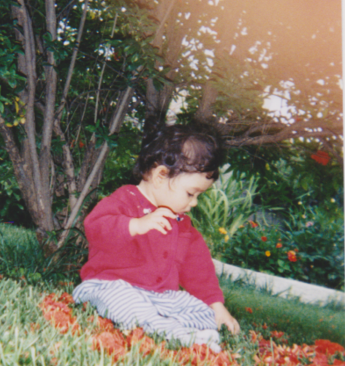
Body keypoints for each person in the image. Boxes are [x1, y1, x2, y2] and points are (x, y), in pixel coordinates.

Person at [73, 121, 240, 352]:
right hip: (107, 287)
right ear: (161, 175)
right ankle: (169, 331)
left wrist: (216, 305)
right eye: (191, 193)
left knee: (200, 310)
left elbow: (198, 268)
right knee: (125, 302)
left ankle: (171, 327)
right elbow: (95, 227)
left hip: (159, 297)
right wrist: (135, 225)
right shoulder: (125, 199)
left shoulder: (182, 225)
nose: (194, 202)